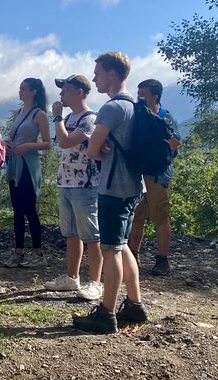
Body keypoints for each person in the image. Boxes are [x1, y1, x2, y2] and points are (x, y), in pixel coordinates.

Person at [73, 51, 149, 334]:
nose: (95, 78)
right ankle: (134, 305)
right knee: (122, 245)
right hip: (133, 186)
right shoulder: (135, 105)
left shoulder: (111, 108)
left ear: (113, 74)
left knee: (111, 249)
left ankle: (106, 314)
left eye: (98, 72)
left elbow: (93, 151)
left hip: (113, 187)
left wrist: (98, 146)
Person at [44, 75, 103, 301]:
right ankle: (72, 276)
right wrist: (61, 118)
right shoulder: (68, 117)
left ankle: (95, 282)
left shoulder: (90, 119)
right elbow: (61, 139)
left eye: (66, 90)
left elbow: (66, 141)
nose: (61, 94)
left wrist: (57, 116)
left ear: (80, 92)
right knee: (71, 233)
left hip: (85, 184)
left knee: (91, 235)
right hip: (66, 182)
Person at [128, 79, 182, 276]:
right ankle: (133, 256)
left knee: (160, 217)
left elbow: (176, 141)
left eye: (143, 93)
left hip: (158, 175)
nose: (139, 97)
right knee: (136, 217)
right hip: (138, 174)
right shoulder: (136, 116)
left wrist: (155, 151)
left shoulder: (164, 116)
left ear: (155, 96)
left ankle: (162, 260)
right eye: (138, 93)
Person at [2, 78, 52, 268]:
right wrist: (5, 143)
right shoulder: (18, 113)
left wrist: (28, 146)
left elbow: (47, 143)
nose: (20, 92)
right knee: (17, 209)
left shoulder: (39, 115)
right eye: (20, 88)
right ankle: (19, 251)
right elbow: (13, 137)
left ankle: (38, 252)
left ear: (34, 92)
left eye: (23, 89)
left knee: (29, 208)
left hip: (29, 166)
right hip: (15, 163)